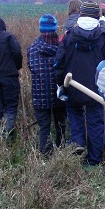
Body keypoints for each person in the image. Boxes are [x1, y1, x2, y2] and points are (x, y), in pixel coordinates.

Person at [55, 1, 105, 166]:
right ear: (98, 16)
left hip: (73, 85)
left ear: (81, 15)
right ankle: (94, 158)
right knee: (95, 121)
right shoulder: (104, 36)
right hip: (96, 90)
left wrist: (60, 85)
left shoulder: (68, 35)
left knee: (74, 115)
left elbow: (59, 63)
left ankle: (78, 143)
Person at [27, 14, 67, 156]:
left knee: (44, 127)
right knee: (60, 125)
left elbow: (31, 67)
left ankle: (45, 152)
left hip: (40, 95)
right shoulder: (62, 47)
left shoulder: (32, 49)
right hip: (58, 94)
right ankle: (61, 149)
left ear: (41, 29)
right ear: (55, 28)